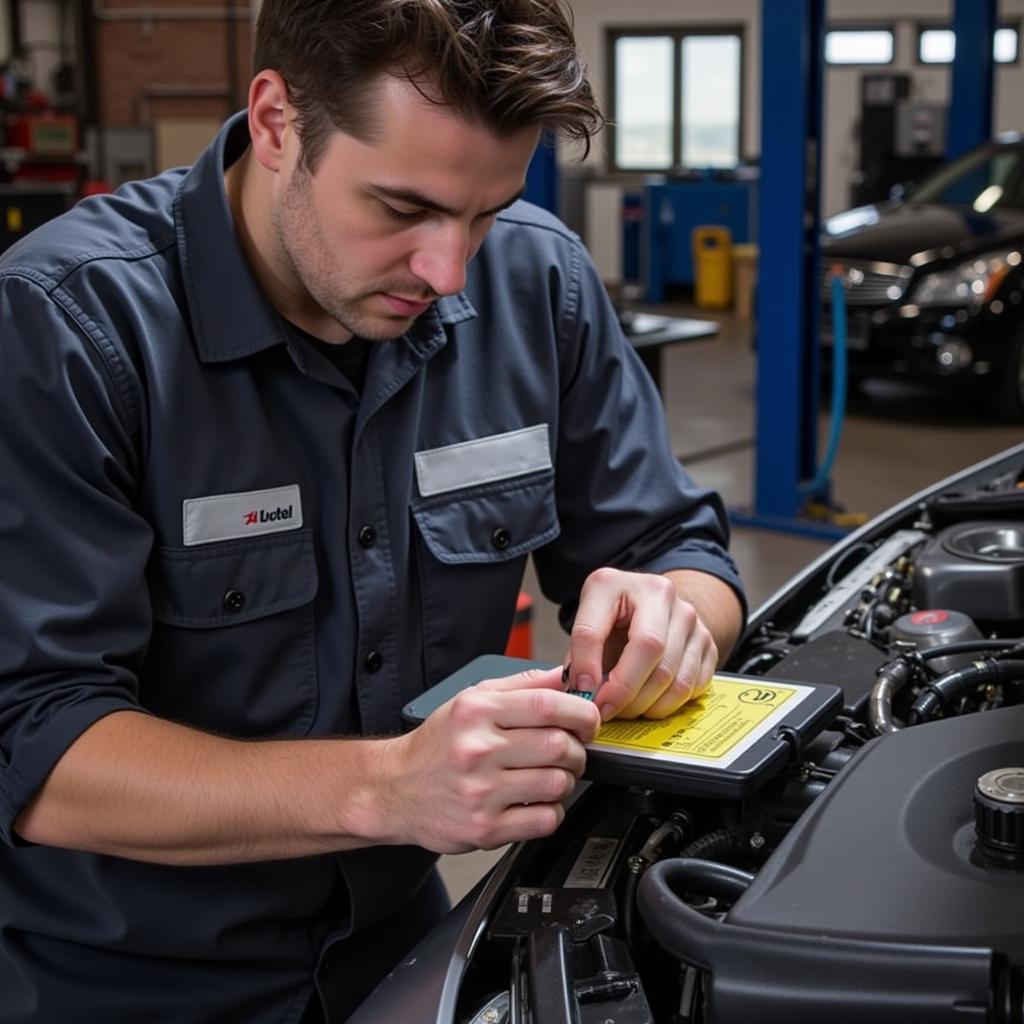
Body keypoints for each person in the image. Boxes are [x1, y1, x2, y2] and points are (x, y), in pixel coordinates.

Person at [0, 1, 745, 1020]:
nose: (449, 272)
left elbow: (682, 551)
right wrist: (385, 789)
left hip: (406, 951)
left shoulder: (539, 281)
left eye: (484, 212)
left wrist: (674, 616)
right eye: (401, 208)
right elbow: (37, 743)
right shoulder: (66, 328)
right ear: (275, 123)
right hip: (122, 978)